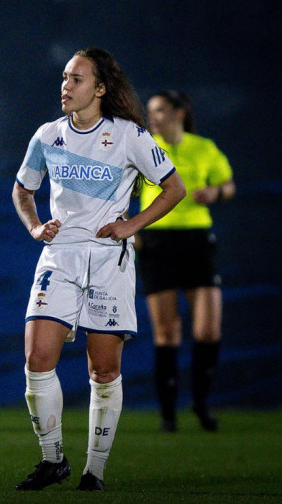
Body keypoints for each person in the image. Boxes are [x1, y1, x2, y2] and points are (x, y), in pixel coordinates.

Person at [11, 48, 185, 491]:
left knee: (103, 371)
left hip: (109, 262)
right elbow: (22, 190)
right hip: (60, 258)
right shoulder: (48, 135)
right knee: (37, 359)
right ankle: (53, 460)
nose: (65, 86)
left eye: (77, 79)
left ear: (101, 88)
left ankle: (95, 470)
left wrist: (131, 224)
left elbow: (174, 188)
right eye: (65, 78)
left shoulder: (129, 135)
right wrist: (34, 227)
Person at [140, 90, 235, 433]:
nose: (155, 117)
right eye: (151, 111)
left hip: (197, 241)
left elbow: (228, 185)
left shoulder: (203, 147)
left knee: (208, 330)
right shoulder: (144, 146)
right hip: (158, 241)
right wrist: (133, 230)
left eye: (161, 110)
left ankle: (201, 405)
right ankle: (168, 414)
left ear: (180, 113)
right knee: (167, 333)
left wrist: (216, 193)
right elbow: (122, 190)